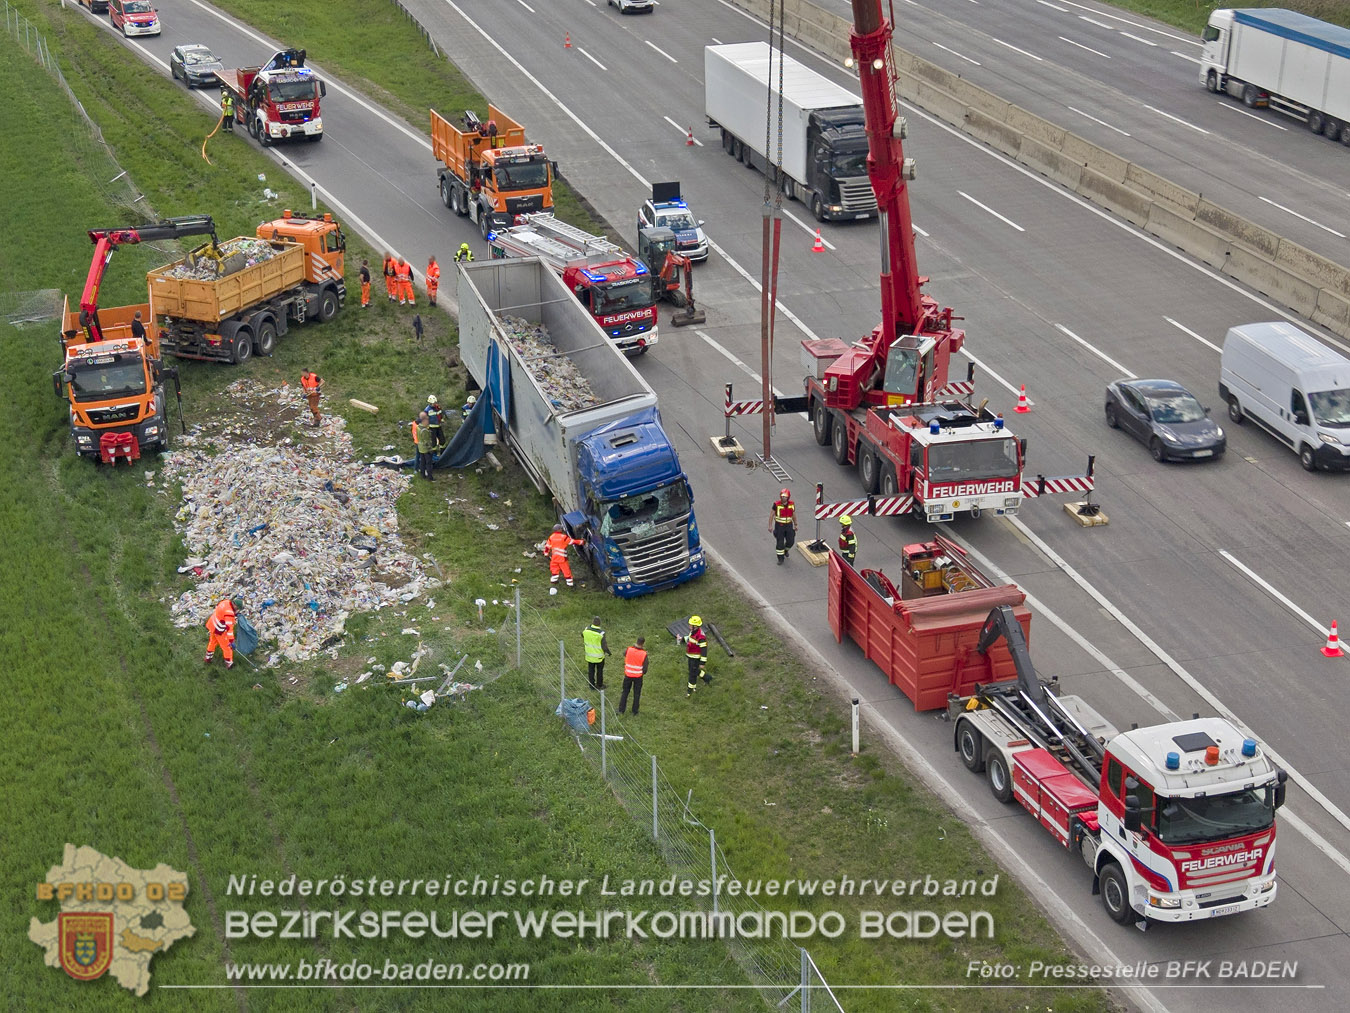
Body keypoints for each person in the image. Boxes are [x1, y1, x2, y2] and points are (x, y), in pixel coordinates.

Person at [204, 598, 240, 668]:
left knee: (212, 642)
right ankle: (229, 663)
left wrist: (234, 614)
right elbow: (229, 629)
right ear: (235, 605)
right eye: (237, 608)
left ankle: (208, 658)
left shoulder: (225, 602)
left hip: (212, 624)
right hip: (219, 630)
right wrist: (231, 641)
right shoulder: (229, 614)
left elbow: (222, 612)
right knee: (227, 647)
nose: (237, 610)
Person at [544, 523, 583, 588]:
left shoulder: (551, 537)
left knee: (554, 569)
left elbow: (547, 546)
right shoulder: (563, 537)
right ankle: (570, 584)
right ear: (559, 530)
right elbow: (572, 542)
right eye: (561, 528)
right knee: (566, 570)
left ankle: (554, 580)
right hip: (562, 558)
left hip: (554, 557)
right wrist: (581, 542)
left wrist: (546, 554)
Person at [679, 615, 709, 697]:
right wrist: (681, 639)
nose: (689, 626)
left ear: (695, 626)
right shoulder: (693, 632)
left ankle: (690, 691)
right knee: (693, 671)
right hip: (691, 656)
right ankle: (707, 677)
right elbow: (690, 639)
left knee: (692, 674)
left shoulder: (701, 637)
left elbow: (704, 650)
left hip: (696, 658)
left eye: (690, 624)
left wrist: (702, 662)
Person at [618, 637, 648, 715]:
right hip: (638, 677)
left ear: (636, 642)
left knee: (625, 692)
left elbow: (624, 654)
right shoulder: (644, 654)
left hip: (628, 675)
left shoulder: (629, 650)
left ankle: (621, 710)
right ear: (643, 644)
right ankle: (634, 711)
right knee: (637, 694)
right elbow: (645, 669)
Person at [582, 616, 611, 691]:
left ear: (592, 622)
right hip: (599, 657)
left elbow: (582, 635)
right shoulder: (601, 633)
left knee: (591, 671)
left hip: (589, 655)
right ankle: (599, 685)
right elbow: (604, 646)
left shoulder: (586, 630)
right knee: (599, 671)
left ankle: (591, 685)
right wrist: (608, 652)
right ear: (599, 623)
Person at [770, 488, 797, 565]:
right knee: (780, 543)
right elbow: (771, 515)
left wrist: (795, 524)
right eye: (782, 496)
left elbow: (793, 514)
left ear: (788, 497)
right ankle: (780, 558)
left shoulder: (791, 504)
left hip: (788, 525)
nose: (783, 498)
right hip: (779, 526)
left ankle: (786, 550)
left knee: (791, 541)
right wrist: (770, 526)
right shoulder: (776, 504)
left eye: (785, 497)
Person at [415, 410, 435, 480]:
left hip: (420, 448)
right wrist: (431, 449)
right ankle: (430, 477)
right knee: (428, 463)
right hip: (426, 449)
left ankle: (422, 475)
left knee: (422, 462)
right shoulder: (425, 430)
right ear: (424, 420)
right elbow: (427, 442)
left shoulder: (418, 427)